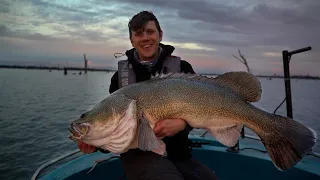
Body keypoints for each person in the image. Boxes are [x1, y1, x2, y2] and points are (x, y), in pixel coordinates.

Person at [77, 11, 218, 180]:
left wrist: (182, 124)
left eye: (150, 32)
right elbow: (114, 126)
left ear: (160, 35)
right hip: (138, 156)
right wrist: (94, 143)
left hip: (180, 154)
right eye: (138, 34)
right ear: (131, 40)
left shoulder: (182, 69)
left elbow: (202, 108)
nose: (145, 38)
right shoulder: (119, 79)